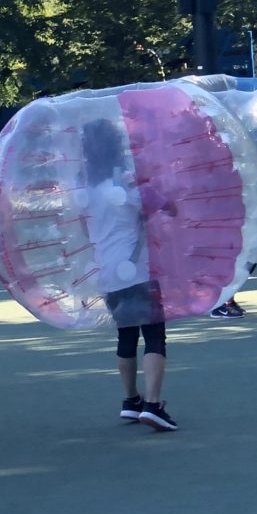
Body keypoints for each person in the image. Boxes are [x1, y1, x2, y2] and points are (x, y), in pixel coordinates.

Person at [83, 119, 176, 432]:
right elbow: (166, 206)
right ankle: (153, 404)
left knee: (126, 334)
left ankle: (131, 400)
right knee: (153, 334)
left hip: (107, 272)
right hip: (136, 269)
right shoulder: (125, 182)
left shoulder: (88, 188)